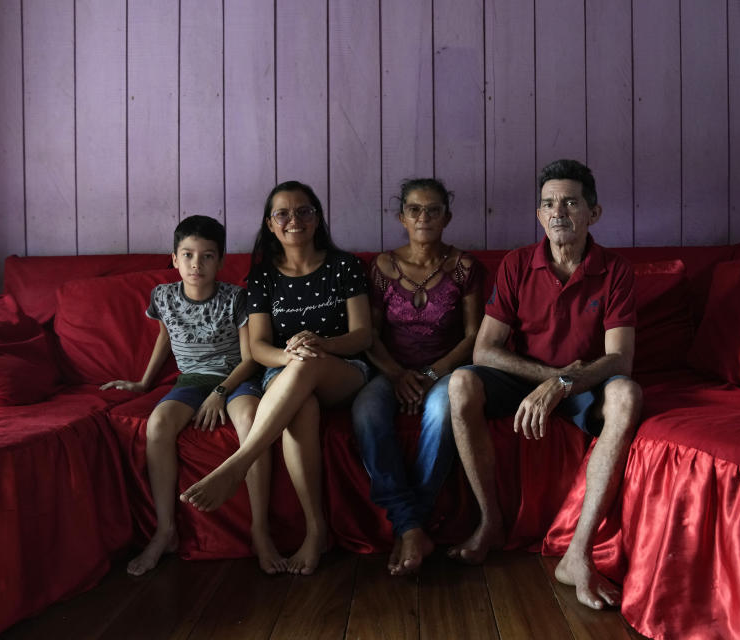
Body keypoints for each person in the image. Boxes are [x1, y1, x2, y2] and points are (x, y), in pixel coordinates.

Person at [446, 159, 642, 610]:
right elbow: (484, 351)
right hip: (526, 379)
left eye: (571, 202)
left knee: (627, 394)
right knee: (461, 385)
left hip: (585, 383)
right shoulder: (517, 264)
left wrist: (566, 382)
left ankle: (578, 552)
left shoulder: (615, 271)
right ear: (539, 215)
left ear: (593, 213)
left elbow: (620, 359)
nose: (558, 211)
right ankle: (491, 521)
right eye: (549, 203)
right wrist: (548, 377)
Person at [179, 181, 372, 575]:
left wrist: (321, 344)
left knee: (308, 363)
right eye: (282, 213)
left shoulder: (344, 266)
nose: (294, 220)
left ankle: (238, 464)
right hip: (285, 375)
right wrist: (289, 354)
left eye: (304, 211)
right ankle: (316, 529)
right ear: (270, 224)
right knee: (303, 405)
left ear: (317, 217)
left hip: (343, 372)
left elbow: (364, 335)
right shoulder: (263, 277)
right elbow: (260, 346)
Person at [102, 215, 264, 576]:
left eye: (207, 256)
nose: (196, 264)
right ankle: (166, 530)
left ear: (221, 261)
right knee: (157, 423)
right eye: (188, 254)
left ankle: (260, 529)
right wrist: (144, 383)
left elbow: (252, 357)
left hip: (236, 378)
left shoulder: (236, 298)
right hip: (190, 379)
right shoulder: (162, 295)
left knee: (250, 420)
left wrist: (221, 393)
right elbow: (165, 337)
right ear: (174, 259)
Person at [352, 178, 485, 576]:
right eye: (414, 209)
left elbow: (474, 335)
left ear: (447, 217)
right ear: (401, 217)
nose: (423, 217)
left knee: (442, 411)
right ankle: (411, 526)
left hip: (447, 370)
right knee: (365, 412)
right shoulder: (381, 267)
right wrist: (398, 375)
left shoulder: (465, 268)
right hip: (392, 369)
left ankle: (412, 524)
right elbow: (370, 334)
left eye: (433, 210)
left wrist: (430, 374)